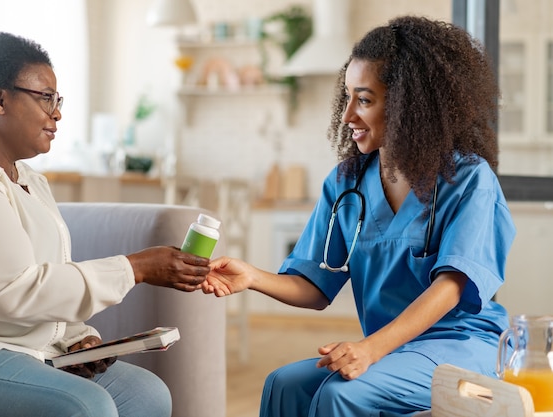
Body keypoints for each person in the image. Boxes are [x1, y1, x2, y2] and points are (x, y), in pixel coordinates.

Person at [202, 15, 516, 416]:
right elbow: (314, 287)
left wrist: (369, 349)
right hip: (395, 348)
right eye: (347, 97)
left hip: (461, 345)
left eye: (364, 100)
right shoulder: (347, 183)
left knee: (341, 394)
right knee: (282, 384)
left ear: (409, 105)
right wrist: (252, 277)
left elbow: (452, 287)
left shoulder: (469, 179)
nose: (348, 114)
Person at [0, 32, 211, 417]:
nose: (56, 112)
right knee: (86, 406)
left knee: (147, 394)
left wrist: (77, 338)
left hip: (31, 351)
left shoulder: (29, 179)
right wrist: (137, 267)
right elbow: (10, 290)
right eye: (46, 98)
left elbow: (49, 275)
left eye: (57, 100)